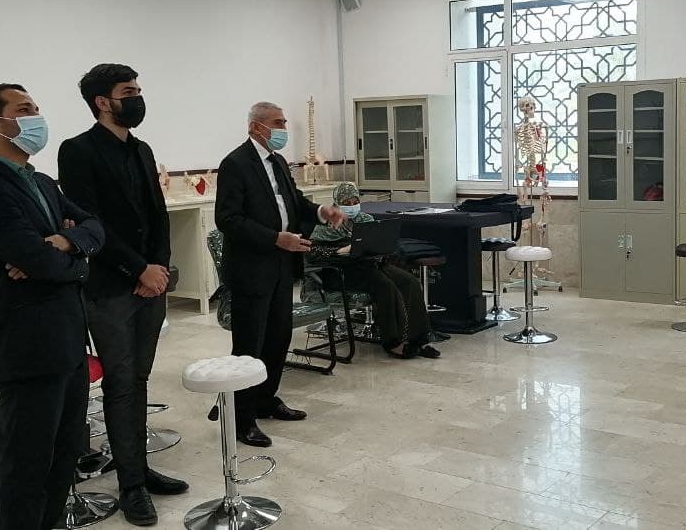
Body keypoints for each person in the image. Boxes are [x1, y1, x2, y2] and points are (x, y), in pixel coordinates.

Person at [0, 84, 105, 530]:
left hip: (68, 340)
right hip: (28, 345)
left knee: (63, 457)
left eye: (37, 108)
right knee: (29, 464)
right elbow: (39, 261)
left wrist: (66, 242)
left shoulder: (41, 182)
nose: (37, 117)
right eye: (24, 110)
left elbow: (96, 228)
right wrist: (72, 260)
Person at [58, 64, 186, 527]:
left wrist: (159, 270)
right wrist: (138, 268)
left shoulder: (141, 149)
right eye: (128, 91)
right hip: (111, 285)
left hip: (151, 282)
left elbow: (157, 215)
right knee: (121, 381)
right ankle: (130, 486)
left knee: (140, 379)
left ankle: (140, 468)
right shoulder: (77, 150)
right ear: (102, 102)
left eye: (138, 90)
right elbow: (90, 222)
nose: (137, 97)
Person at [213, 101, 345, 448]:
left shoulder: (279, 161)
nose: (284, 128)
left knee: (278, 337)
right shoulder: (235, 164)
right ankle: (242, 419)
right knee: (249, 345)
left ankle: (265, 399)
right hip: (251, 268)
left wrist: (322, 211)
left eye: (284, 122)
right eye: (278, 122)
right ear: (256, 126)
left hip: (282, 266)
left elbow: (294, 202)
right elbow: (227, 219)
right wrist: (274, 238)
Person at [308, 183, 441, 359]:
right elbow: (313, 252)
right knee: (385, 286)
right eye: (346, 202)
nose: (352, 205)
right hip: (341, 271)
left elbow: (377, 244)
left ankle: (419, 339)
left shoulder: (365, 219)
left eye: (355, 201)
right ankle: (393, 341)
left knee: (409, 282)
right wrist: (339, 250)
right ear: (337, 203)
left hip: (370, 265)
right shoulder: (325, 225)